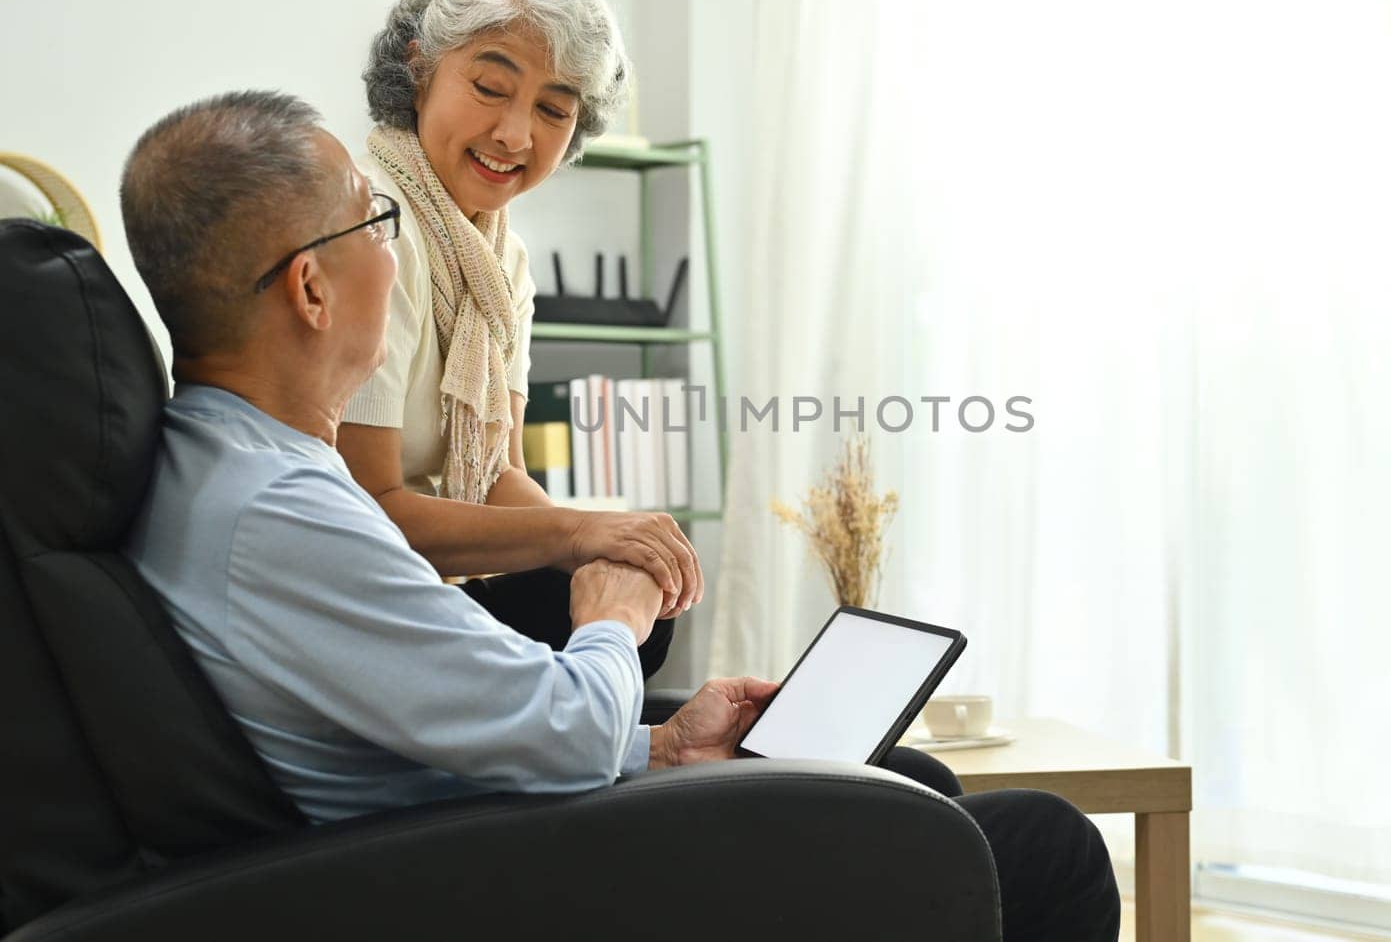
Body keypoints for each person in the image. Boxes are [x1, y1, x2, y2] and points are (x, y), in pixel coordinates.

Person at [118, 91, 1120, 941]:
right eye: (374, 221)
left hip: (483, 827)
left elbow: (471, 718)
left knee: (903, 780)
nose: (394, 245)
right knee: (1045, 844)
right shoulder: (280, 514)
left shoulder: (224, 465)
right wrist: (609, 614)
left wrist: (671, 742)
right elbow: (560, 735)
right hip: (513, 872)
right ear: (310, 289)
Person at [337, 0, 694, 679]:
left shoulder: (504, 259)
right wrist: (579, 535)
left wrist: (608, 548)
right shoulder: (369, 226)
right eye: (491, 87)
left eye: (553, 109)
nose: (514, 134)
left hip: (441, 591)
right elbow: (369, 508)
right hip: (358, 603)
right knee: (600, 608)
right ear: (419, 68)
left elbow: (500, 476)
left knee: (641, 611)